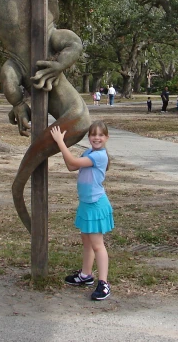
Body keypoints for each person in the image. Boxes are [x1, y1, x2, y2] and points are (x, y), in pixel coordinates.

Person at [50, 120, 114, 301]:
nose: (97, 138)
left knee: (97, 245)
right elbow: (71, 166)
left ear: (106, 138)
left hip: (96, 204)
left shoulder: (100, 156)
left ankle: (104, 284)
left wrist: (60, 142)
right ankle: (86, 275)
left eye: (101, 135)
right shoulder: (89, 152)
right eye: (93, 134)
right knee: (87, 243)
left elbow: (71, 160)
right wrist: (62, 144)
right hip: (86, 204)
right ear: (89, 137)